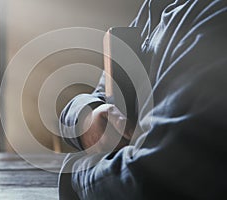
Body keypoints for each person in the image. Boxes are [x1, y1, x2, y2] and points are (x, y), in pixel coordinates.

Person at [58, 0, 227, 199]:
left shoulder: (213, 16)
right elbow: (97, 97)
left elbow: (154, 178)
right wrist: (89, 116)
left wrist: (77, 172)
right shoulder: (153, 9)